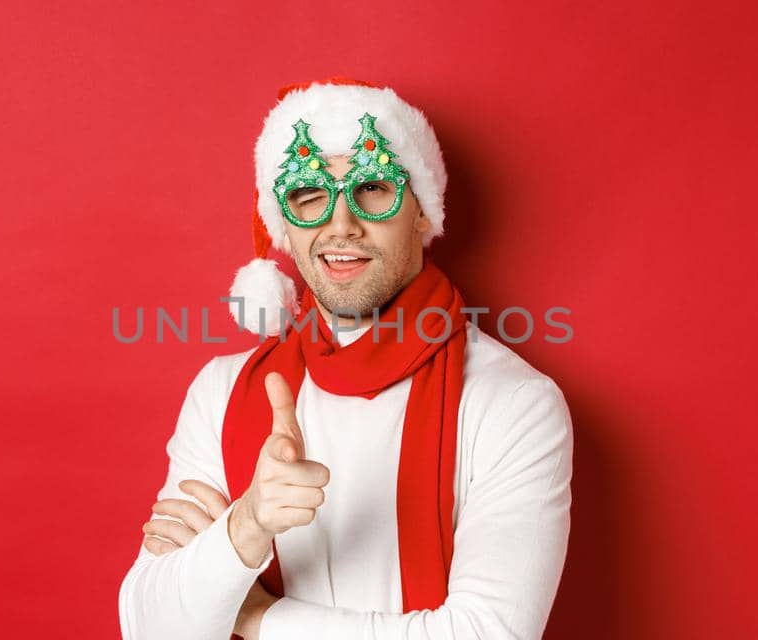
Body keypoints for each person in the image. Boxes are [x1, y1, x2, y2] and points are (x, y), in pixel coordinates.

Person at [117, 78, 573, 640]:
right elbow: (148, 627)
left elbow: (488, 635)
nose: (340, 225)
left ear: (423, 213)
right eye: (310, 195)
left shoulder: (512, 403)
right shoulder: (223, 391)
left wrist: (256, 615)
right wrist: (247, 527)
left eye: (374, 187)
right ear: (283, 222)